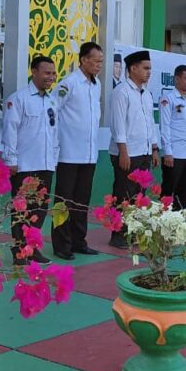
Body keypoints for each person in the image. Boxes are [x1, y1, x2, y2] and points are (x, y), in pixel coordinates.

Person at [2, 55, 60, 265]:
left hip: (45, 164)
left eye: (53, 73)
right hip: (25, 166)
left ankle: (32, 248)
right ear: (34, 72)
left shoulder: (52, 100)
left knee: (39, 210)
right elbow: (10, 131)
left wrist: (54, 159)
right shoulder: (18, 99)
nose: (51, 77)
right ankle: (19, 251)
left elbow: (54, 132)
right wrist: (10, 160)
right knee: (21, 210)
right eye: (46, 73)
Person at [54, 41, 104, 257]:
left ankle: (78, 241)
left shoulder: (96, 84)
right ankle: (62, 245)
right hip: (68, 152)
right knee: (64, 201)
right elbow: (53, 110)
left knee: (82, 201)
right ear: (84, 60)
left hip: (89, 154)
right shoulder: (69, 83)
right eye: (96, 61)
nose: (99, 65)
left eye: (101, 61)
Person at [108, 50, 159, 249]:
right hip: (127, 154)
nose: (149, 72)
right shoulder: (121, 92)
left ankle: (133, 232)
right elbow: (118, 124)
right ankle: (118, 235)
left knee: (139, 196)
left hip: (144, 152)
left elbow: (150, 123)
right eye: (145, 68)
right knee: (123, 195)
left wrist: (154, 148)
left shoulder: (146, 94)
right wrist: (123, 151)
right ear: (133, 68)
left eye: (150, 68)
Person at [160, 65, 186, 210]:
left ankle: (179, 221)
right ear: (177, 79)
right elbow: (165, 126)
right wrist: (168, 152)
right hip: (175, 154)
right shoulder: (168, 99)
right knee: (168, 191)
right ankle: (164, 220)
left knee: (185, 192)